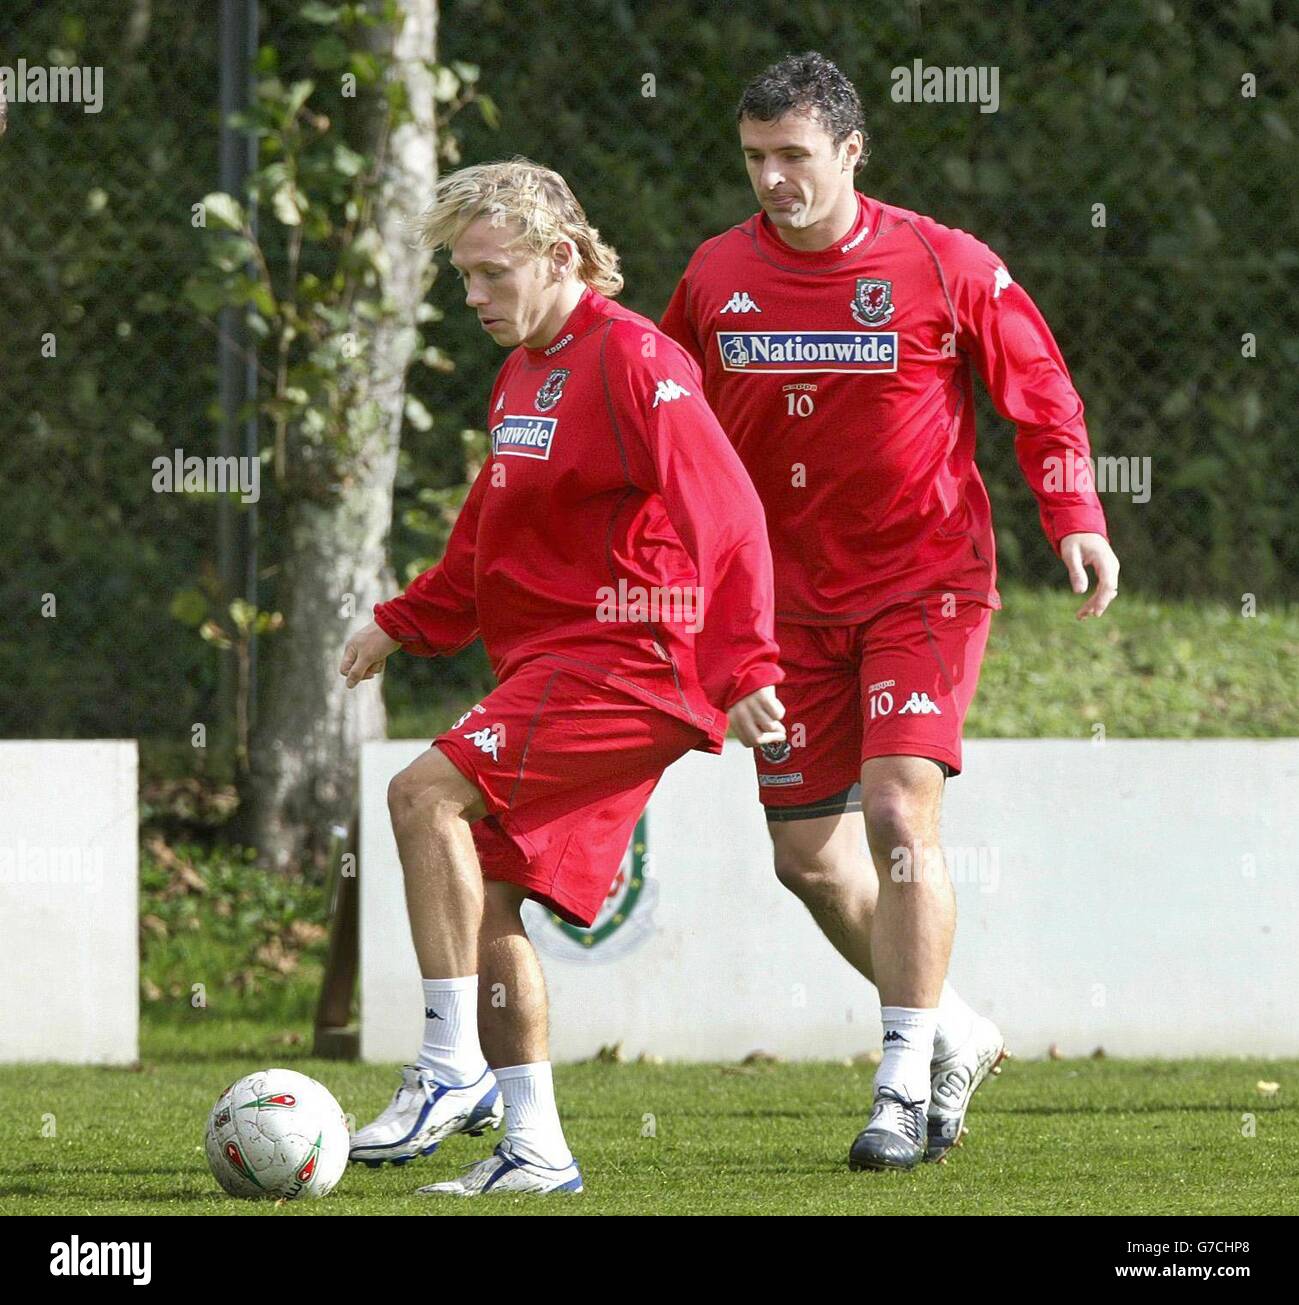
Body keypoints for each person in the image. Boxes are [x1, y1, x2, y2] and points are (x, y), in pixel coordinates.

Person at [660, 52, 1119, 1171]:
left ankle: (902, 1081)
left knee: (898, 814)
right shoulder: (717, 276)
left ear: (851, 152)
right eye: (756, 158)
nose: (774, 179)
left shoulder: (939, 261)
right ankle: (956, 1029)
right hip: (781, 607)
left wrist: (1073, 512)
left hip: (925, 583)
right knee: (806, 860)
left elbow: (1040, 388)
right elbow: (669, 424)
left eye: (795, 157)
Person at [339, 158, 786, 1196]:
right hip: (559, 666)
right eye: (463, 277)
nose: (475, 296)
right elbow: (485, 537)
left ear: (560, 256)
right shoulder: (522, 373)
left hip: (629, 663)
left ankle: (451, 1067)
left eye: (491, 273)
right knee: (483, 894)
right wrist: (403, 624)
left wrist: (745, 663)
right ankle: (535, 1146)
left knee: (420, 795)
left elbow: (728, 514)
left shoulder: (636, 360)